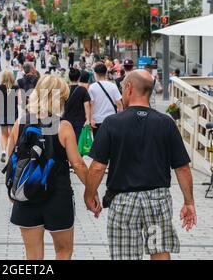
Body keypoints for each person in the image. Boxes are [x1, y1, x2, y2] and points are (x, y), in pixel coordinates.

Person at [84, 70, 197, 260]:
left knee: (125, 254)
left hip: (124, 201)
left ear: (129, 87)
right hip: (157, 201)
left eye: (122, 88)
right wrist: (189, 202)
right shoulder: (165, 123)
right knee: (158, 249)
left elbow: (97, 167)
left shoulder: (112, 123)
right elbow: (182, 168)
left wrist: (89, 194)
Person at [7, 75, 97, 260]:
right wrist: (91, 189)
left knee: (32, 255)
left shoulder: (20, 123)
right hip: (58, 196)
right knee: (63, 251)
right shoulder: (63, 126)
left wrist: (13, 189)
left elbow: (10, 159)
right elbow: (78, 164)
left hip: (27, 194)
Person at [88, 64, 123, 137]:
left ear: (95, 74)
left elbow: (91, 105)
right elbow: (119, 103)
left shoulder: (91, 87)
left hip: (97, 120)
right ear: (106, 73)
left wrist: (91, 119)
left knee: (98, 143)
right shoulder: (113, 86)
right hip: (111, 119)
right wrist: (121, 118)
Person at [0, 71, 19, 163]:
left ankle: (3, 151)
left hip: (2, 113)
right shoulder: (16, 88)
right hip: (13, 113)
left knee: (4, 134)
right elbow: (20, 102)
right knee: (12, 134)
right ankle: (11, 153)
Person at [63, 68, 91, 142]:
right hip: (79, 121)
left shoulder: (65, 89)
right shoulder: (82, 89)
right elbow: (87, 105)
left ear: (69, 77)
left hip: (66, 119)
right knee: (78, 142)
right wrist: (88, 119)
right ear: (79, 77)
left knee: (68, 141)